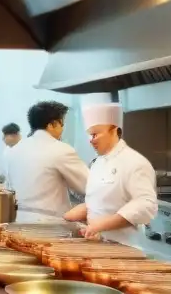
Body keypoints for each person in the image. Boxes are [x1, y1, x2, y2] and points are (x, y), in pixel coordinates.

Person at [65, 102, 158, 245]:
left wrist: (101, 225)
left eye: (95, 134)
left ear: (114, 130)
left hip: (124, 247)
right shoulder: (98, 163)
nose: (91, 140)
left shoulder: (135, 162)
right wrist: (83, 210)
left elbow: (146, 205)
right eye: (90, 135)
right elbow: (105, 200)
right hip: (98, 243)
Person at [4, 101, 89, 223]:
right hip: (51, 224)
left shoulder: (15, 149)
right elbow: (89, 186)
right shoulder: (61, 150)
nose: (62, 129)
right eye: (62, 124)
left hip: (17, 220)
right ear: (52, 125)